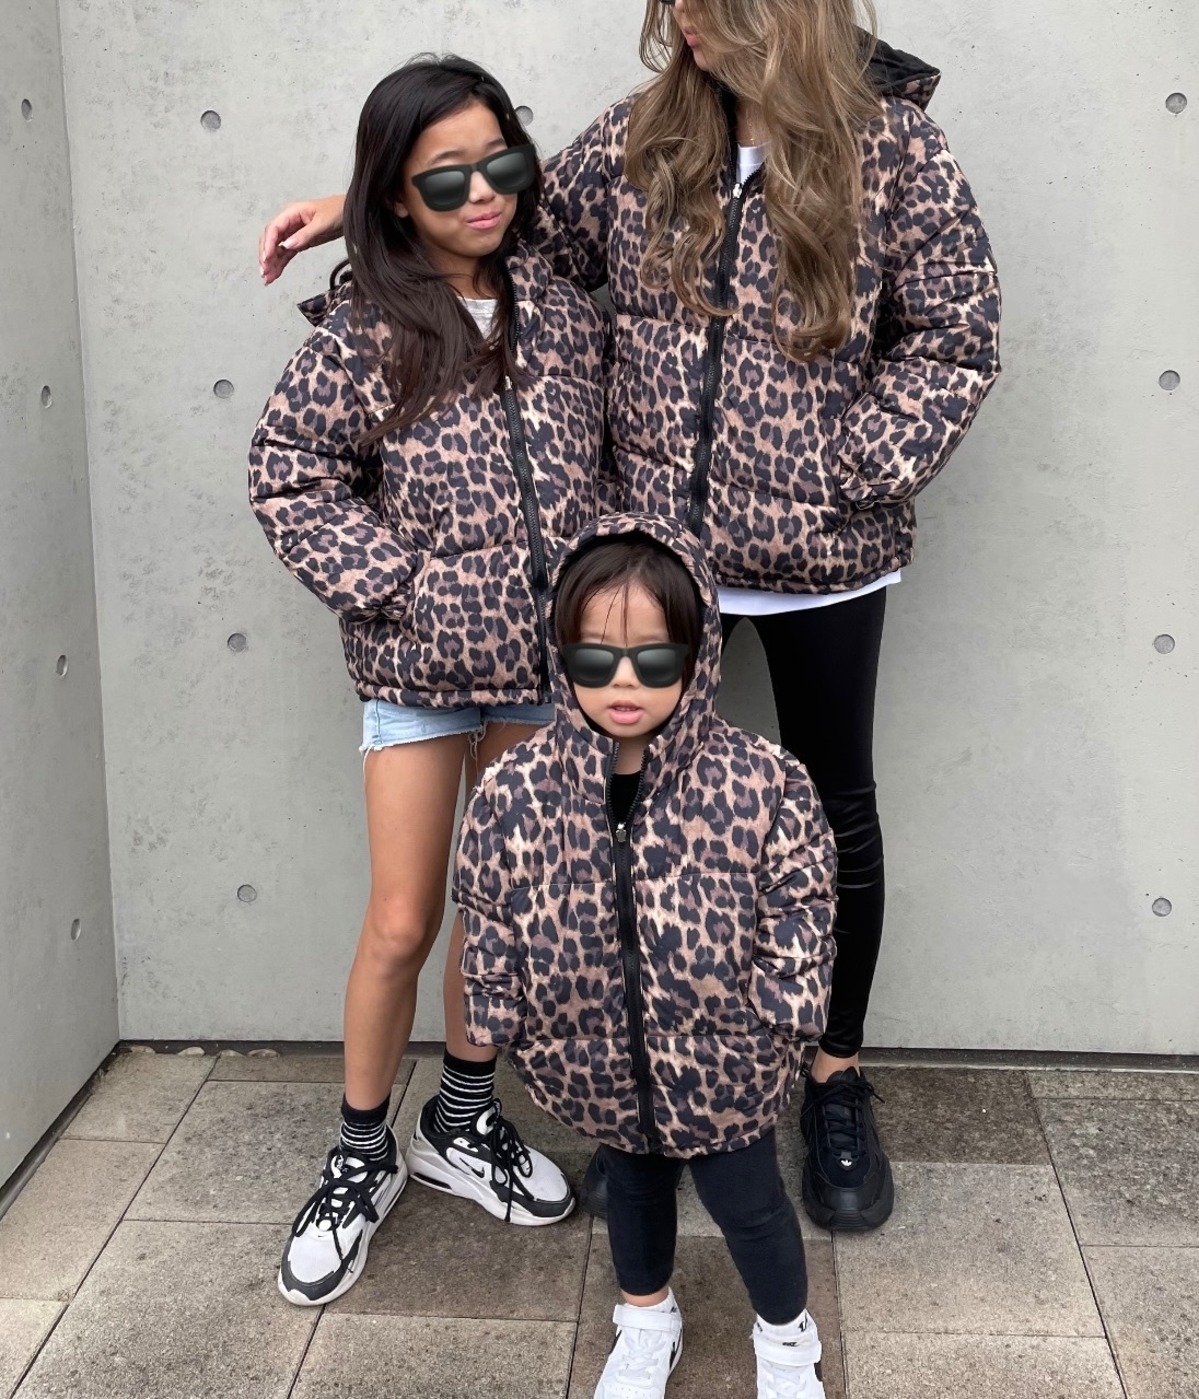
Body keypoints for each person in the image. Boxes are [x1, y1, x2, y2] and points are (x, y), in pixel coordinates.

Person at [258, 0, 1001, 1231]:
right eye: (677, 7)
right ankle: (650, 1096)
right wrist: (359, 203)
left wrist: (847, 465)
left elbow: (953, 338)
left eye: (712, 4)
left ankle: (832, 1079)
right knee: (640, 831)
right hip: (658, 565)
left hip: (821, 557)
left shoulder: (894, 149)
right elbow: (506, 215)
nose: (688, 25)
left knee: (832, 816)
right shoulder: (645, 135)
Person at [247, 54, 610, 1306]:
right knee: (403, 918)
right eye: (443, 179)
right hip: (417, 668)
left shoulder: (562, 308)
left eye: (498, 162)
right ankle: (361, 1153)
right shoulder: (369, 327)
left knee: (493, 907)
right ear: (397, 195)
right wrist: (402, 587)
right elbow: (289, 474)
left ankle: (461, 1120)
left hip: (542, 671)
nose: (481, 194)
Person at [455, 513, 838, 1398]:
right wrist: (498, 1010)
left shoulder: (760, 781)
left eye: (653, 659)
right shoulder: (518, 788)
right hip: (590, 1054)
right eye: (595, 659)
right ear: (562, 658)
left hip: (726, 1059)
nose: (622, 681)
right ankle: (645, 1318)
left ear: (697, 657)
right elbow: (487, 903)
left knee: (751, 1205)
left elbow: (802, 904)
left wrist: (785, 1019)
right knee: (630, 1193)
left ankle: (787, 1337)